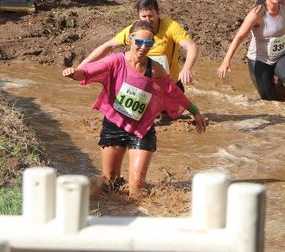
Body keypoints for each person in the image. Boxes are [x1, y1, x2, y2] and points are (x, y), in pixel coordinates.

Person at [63, 20, 207, 199]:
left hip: (142, 130)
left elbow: (174, 92)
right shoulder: (116, 61)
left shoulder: (155, 69)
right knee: (109, 183)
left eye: (149, 43)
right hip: (114, 126)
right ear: (130, 40)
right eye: (139, 42)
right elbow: (87, 72)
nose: (143, 47)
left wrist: (195, 111)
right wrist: (73, 73)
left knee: (137, 190)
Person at [78, 0, 198, 90]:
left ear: (158, 13)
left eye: (151, 16)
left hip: (168, 83)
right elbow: (108, 46)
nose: (147, 20)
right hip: (143, 84)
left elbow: (191, 46)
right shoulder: (136, 29)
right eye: (143, 16)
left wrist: (186, 69)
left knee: (171, 118)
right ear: (138, 16)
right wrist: (81, 67)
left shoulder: (170, 26)